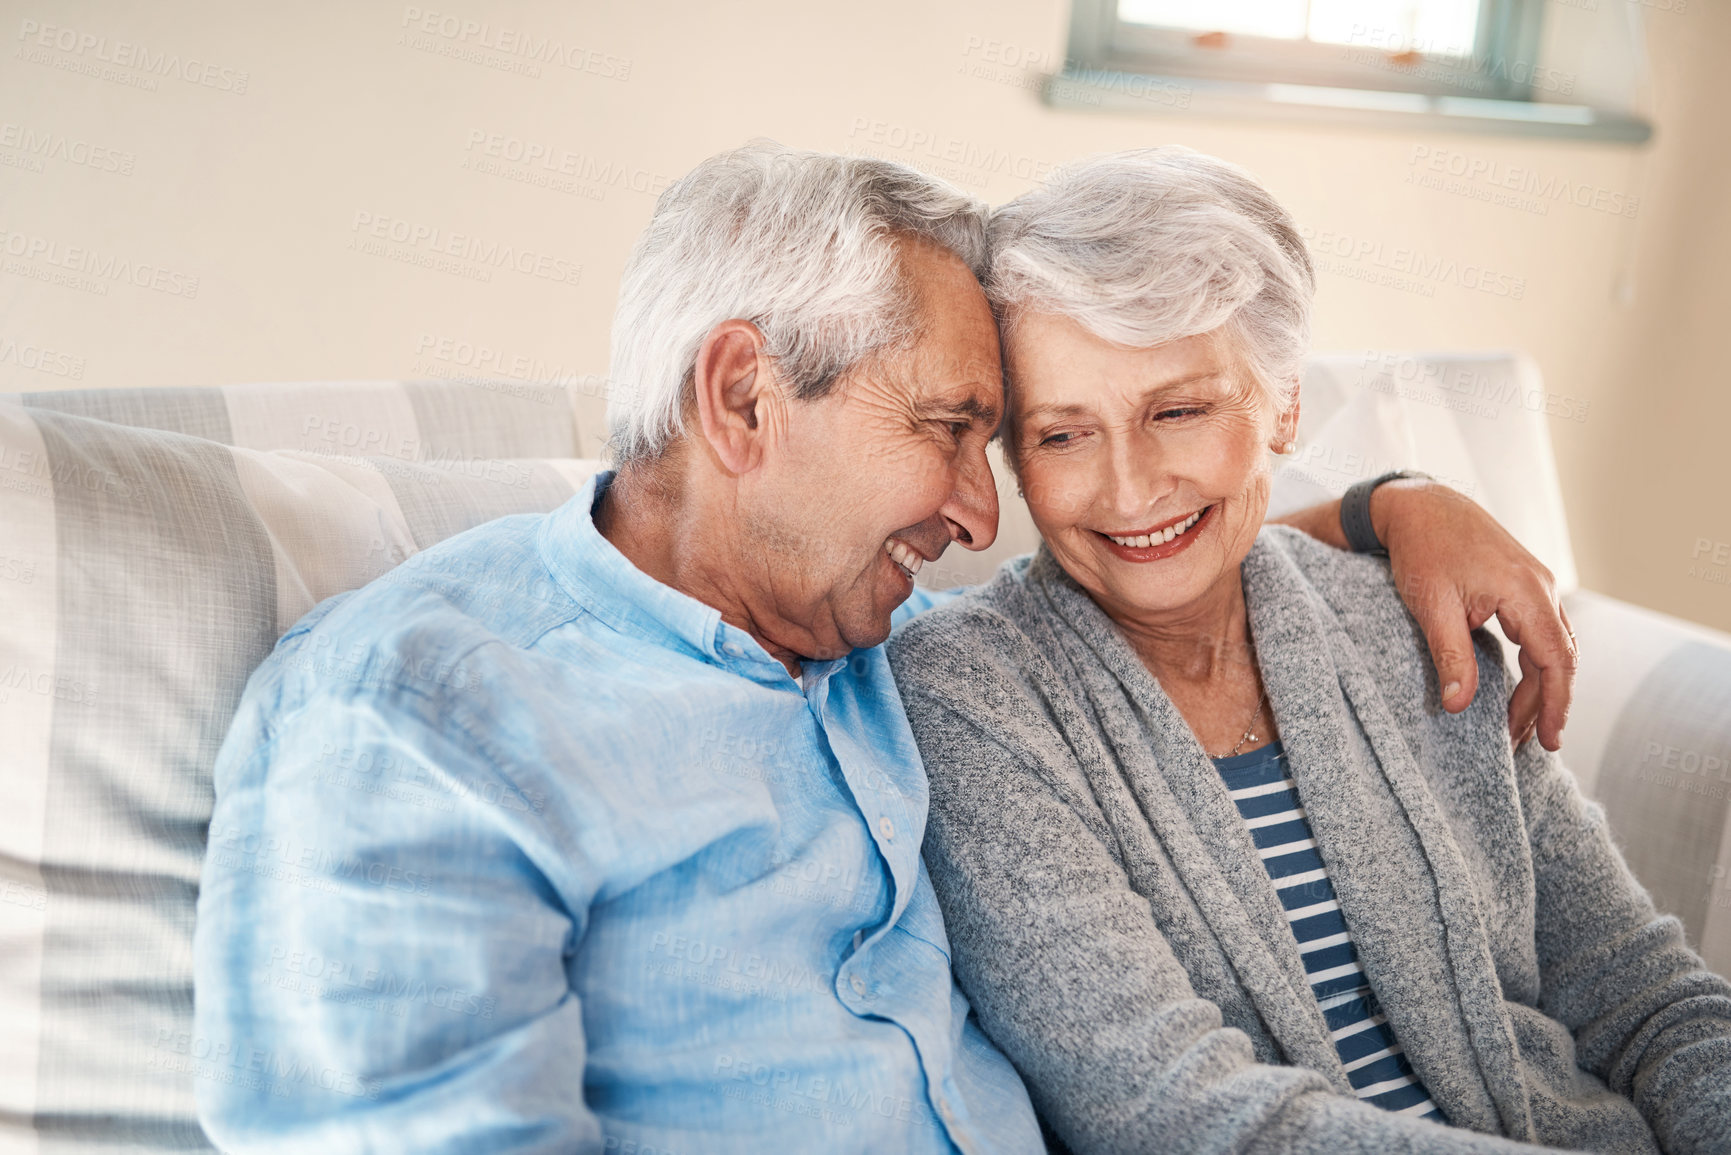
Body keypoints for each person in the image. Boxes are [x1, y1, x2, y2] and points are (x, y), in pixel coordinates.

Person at [194, 141, 1581, 1152]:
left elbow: (1155, 543)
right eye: (947, 429)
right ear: (742, 397)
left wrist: (1393, 506)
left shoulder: (891, 638)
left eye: (992, 442)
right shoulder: (420, 716)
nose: (983, 510)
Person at [887, 147, 1731, 1155]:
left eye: (1179, 411)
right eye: (1063, 435)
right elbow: (1173, 1113)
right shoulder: (973, 698)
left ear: (1283, 403)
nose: (1129, 487)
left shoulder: (1408, 617)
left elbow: (1646, 1002)